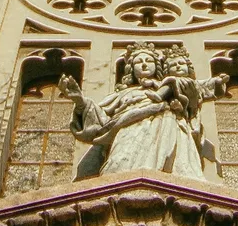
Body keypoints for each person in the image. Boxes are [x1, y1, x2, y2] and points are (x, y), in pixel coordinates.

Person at [58, 42, 225, 177]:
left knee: (177, 172)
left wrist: (215, 83)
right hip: (129, 135)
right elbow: (102, 122)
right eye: (139, 62)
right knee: (118, 170)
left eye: (149, 61)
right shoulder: (123, 94)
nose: (144, 65)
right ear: (131, 68)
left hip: (168, 129)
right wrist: (79, 101)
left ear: (157, 67)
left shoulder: (169, 87)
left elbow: (197, 88)